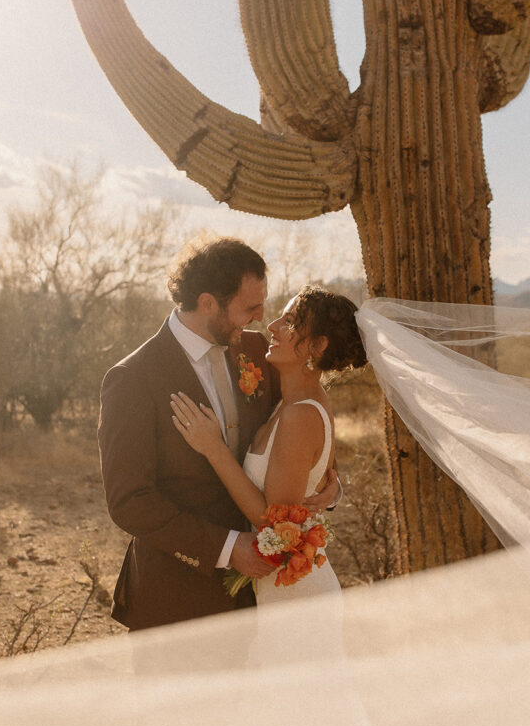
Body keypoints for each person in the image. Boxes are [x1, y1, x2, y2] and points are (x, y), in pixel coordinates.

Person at [97, 238, 339, 632]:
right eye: (250, 307)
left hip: (268, 597)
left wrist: (330, 481)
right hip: (177, 603)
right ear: (208, 302)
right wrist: (227, 549)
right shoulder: (133, 379)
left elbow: (303, 421)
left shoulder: (259, 350)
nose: (262, 318)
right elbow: (129, 501)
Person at [171, 284, 367, 604]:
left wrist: (213, 448)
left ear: (318, 345)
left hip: (297, 597)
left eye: (290, 322)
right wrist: (331, 486)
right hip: (280, 588)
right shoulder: (295, 401)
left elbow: (271, 522)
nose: (272, 326)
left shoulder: (301, 414)